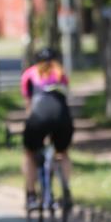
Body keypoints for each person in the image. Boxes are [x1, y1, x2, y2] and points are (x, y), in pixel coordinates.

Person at [20, 47, 73, 209]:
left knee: (29, 153)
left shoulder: (29, 74)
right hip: (62, 116)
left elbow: (29, 105)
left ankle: (30, 195)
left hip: (39, 116)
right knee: (62, 152)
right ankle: (66, 193)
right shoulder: (61, 73)